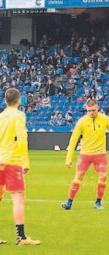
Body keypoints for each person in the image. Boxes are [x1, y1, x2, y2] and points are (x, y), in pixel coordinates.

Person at [61, 99, 109, 210]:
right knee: (78, 176)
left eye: (93, 110)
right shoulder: (81, 122)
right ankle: (69, 202)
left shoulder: (105, 119)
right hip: (85, 155)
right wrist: (68, 158)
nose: (91, 113)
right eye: (89, 111)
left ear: (97, 108)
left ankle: (98, 202)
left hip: (100, 154)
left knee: (103, 176)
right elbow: (73, 141)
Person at [0, 88, 39, 245]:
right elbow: (22, 139)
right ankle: (21, 237)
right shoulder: (19, 116)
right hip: (12, 160)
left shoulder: (1, 116)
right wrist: (25, 161)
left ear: (5, 100)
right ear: (19, 100)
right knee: (17, 197)